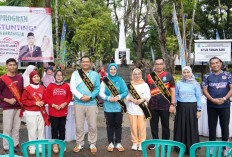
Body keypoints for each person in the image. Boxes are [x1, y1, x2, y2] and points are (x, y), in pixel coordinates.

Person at [202, 57, 232, 156]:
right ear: (210, 65)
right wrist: (212, 99)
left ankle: (225, 148)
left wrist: (224, 99)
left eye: (217, 63)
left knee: (225, 127)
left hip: (225, 105)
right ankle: (212, 146)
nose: (215, 65)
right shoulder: (207, 76)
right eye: (212, 63)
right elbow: (205, 90)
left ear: (221, 63)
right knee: (212, 127)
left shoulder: (227, 75)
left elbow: (231, 89)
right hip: (211, 105)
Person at [70, 56, 100, 154]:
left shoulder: (95, 74)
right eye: (84, 62)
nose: (85, 63)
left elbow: (97, 89)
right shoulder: (75, 74)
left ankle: (92, 143)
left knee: (92, 125)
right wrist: (81, 96)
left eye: (87, 62)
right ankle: (79, 143)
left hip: (92, 103)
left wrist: (90, 97)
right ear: (81, 63)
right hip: (78, 102)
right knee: (79, 125)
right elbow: (72, 87)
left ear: (90, 63)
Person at [146, 57, 176, 149]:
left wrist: (173, 104)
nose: (158, 66)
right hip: (152, 105)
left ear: (164, 65)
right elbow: (146, 90)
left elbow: (173, 91)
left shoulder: (169, 76)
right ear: (154, 65)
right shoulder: (149, 76)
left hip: (165, 105)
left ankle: (165, 143)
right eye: (157, 64)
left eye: (160, 64)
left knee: (165, 125)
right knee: (153, 125)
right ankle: (155, 142)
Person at [99, 63, 128, 152]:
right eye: (111, 69)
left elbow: (125, 91)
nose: (112, 71)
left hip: (119, 107)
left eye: (114, 69)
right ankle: (111, 142)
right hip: (108, 107)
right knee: (110, 125)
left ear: (116, 70)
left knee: (118, 125)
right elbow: (101, 93)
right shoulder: (105, 80)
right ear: (108, 70)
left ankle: (118, 142)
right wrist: (108, 98)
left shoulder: (120, 80)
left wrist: (118, 97)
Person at [174, 66, 201, 154]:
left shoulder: (196, 84)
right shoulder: (179, 83)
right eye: (184, 72)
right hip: (181, 107)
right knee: (180, 126)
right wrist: (174, 106)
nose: (186, 74)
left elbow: (198, 97)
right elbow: (176, 95)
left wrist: (199, 110)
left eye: (188, 72)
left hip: (192, 107)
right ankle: (180, 147)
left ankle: (191, 148)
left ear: (191, 73)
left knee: (191, 126)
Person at [21, 71, 50, 155]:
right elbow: (24, 100)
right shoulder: (27, 88)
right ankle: (32, 147)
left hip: (41, 112)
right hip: (31, 113)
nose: (36, 78)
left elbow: (45, 98)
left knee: (41, 131)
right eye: (34, 77)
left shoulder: (42, 87)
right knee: (32, 131)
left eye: (37, 76)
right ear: (31, 78)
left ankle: (41, 146)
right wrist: (35, 103)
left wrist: (42, 102)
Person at [44, 69, 72, 153]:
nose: (59, 77)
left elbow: (69, 97)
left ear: (63, 76)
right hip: (53, 111)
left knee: (62, 128)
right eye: (57, 75)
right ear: (54, 76)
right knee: (54, 128)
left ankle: (61, 142)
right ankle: (55, 144)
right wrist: (53, 105)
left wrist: (65, 104)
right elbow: (46, 98)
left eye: (60, 75)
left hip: (63, 111)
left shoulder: (66, 86)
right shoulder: (50, 85)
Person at [0, 58, 23, 155]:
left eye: (14, 65)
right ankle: (6, 146)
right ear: (6, 66)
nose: (12, 66)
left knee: (16, 127)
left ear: (16, 66)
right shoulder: (2, 79)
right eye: (10, 65)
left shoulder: (20, 77)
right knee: (7, 128)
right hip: (7, 107)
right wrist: (7, 100)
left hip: (18, 106)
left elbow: (22, 91)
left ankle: (15, 144)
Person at [126, 68, 151, 151]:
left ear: (141, 75)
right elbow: (126, 96)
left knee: (142, 127)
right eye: (135, 74)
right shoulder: (130, 85)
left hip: (142, 109)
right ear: (132, 75)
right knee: (133, 127)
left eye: (138, 74)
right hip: (131, 109)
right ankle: (134, 142)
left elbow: (148, 95)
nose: (137, 76)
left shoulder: (145, 85)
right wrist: (132, 99)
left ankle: (141, 143)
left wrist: (142, 99)